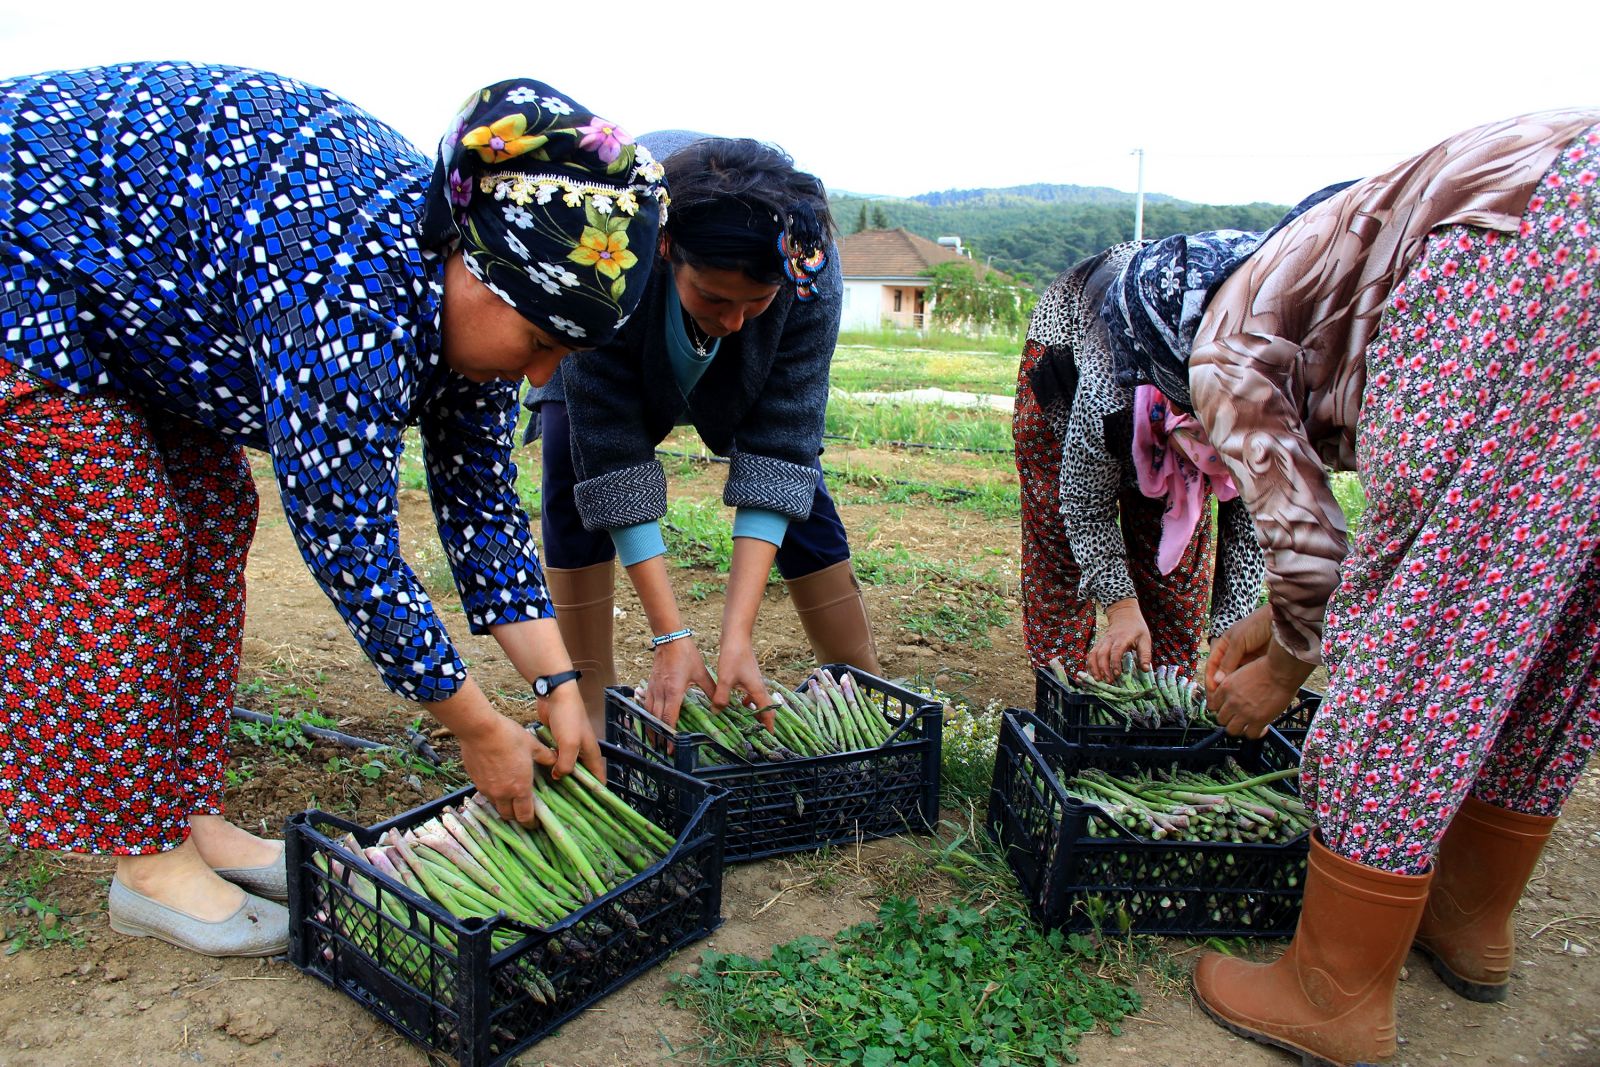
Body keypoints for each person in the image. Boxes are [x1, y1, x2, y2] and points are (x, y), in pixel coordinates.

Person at [0, 62, 666, 958]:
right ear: (473, 267)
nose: (541, 372)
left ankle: (185, 813)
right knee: (125, 543)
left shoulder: (463, 288)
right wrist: (476, 726)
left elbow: (478, 501)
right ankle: (145, 860)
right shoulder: (348, 281)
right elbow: (349, 536)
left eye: (564, 354)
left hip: (140, 293)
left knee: (211, 515)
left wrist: (557, 684)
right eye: (540, 341)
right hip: (26, 253)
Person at [1099, 110, 1600, 1066]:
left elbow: (1314, 538)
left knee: (1434, 618)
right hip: (1566, 202)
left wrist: (1285, 668)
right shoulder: (1301, 276)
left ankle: (1332, 990)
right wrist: (1279, 621)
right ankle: (1468, 922)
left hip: (1531, 239)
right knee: (1557, 597)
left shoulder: (1220, 344)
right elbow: (1324, 536)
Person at [525, 132, 878, 729]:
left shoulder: (808, 268)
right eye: (713, 298)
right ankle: (588, 704)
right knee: (572, 462)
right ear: (666, 249)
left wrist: (736, 636)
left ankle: (860, 690)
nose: (733, 321)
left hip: (743, 362)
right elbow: (611, 449)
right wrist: (672, 635)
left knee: (800, 490)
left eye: (756, 302)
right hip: (619, 325)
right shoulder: (607, 249)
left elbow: (782, 442)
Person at [1014, 241, 1265, 683]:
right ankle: (1069, 691)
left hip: (1187, 377)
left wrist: (1234, 631)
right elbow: (1083, 504)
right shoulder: (1109, 383)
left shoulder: (1268, 404)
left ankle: (1165, 699)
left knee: (1173, 570)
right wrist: (1122, 607)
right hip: (1069, 345)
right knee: (1060, 547)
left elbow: (1251, 523)